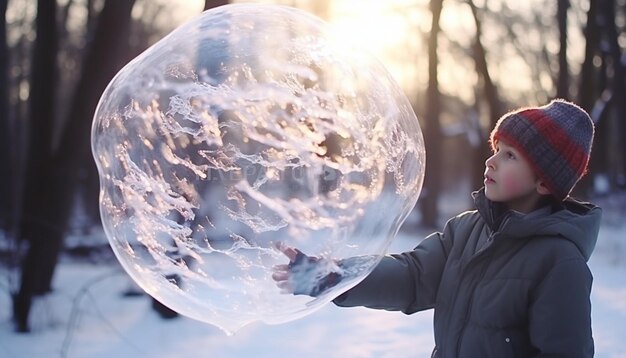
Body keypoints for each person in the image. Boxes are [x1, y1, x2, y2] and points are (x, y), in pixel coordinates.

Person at [272, 99, 602, 357]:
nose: (492, 161)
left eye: (511, 156)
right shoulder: (464, 231)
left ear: (544, 182)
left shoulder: (559, 262)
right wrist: (333, 276)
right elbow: (412, 276)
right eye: (497, 150)